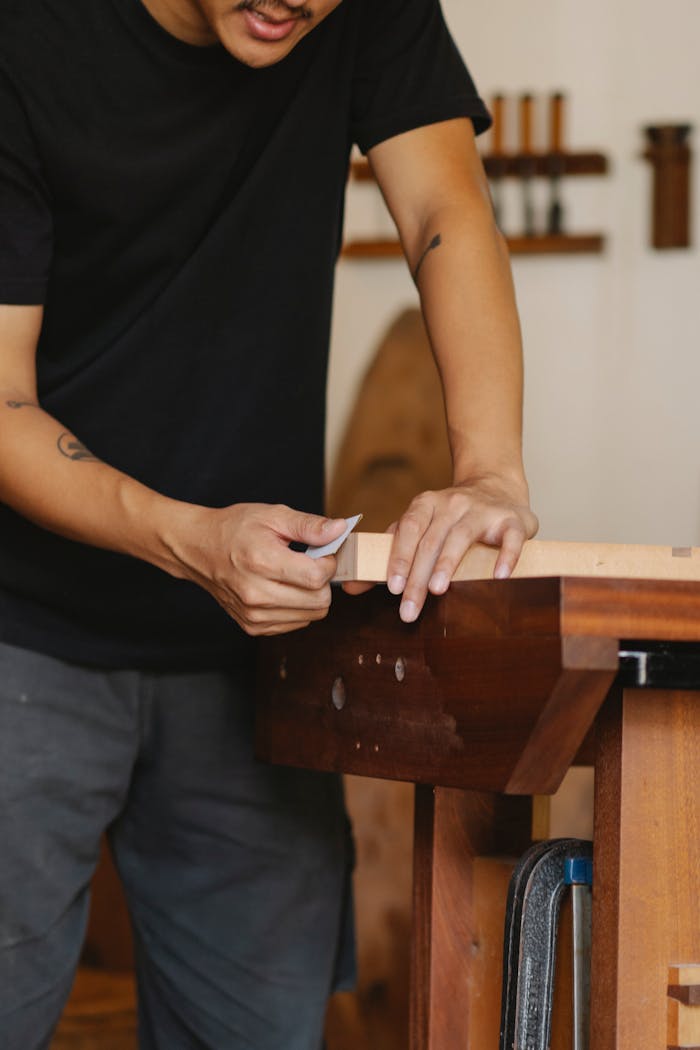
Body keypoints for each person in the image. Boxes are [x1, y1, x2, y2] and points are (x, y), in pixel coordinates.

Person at [0, 0, 538, 1046]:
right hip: (20, 630)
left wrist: (491, 472)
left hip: (260, 655)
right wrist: (192, 540)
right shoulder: (24, 37)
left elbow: (446, 212)